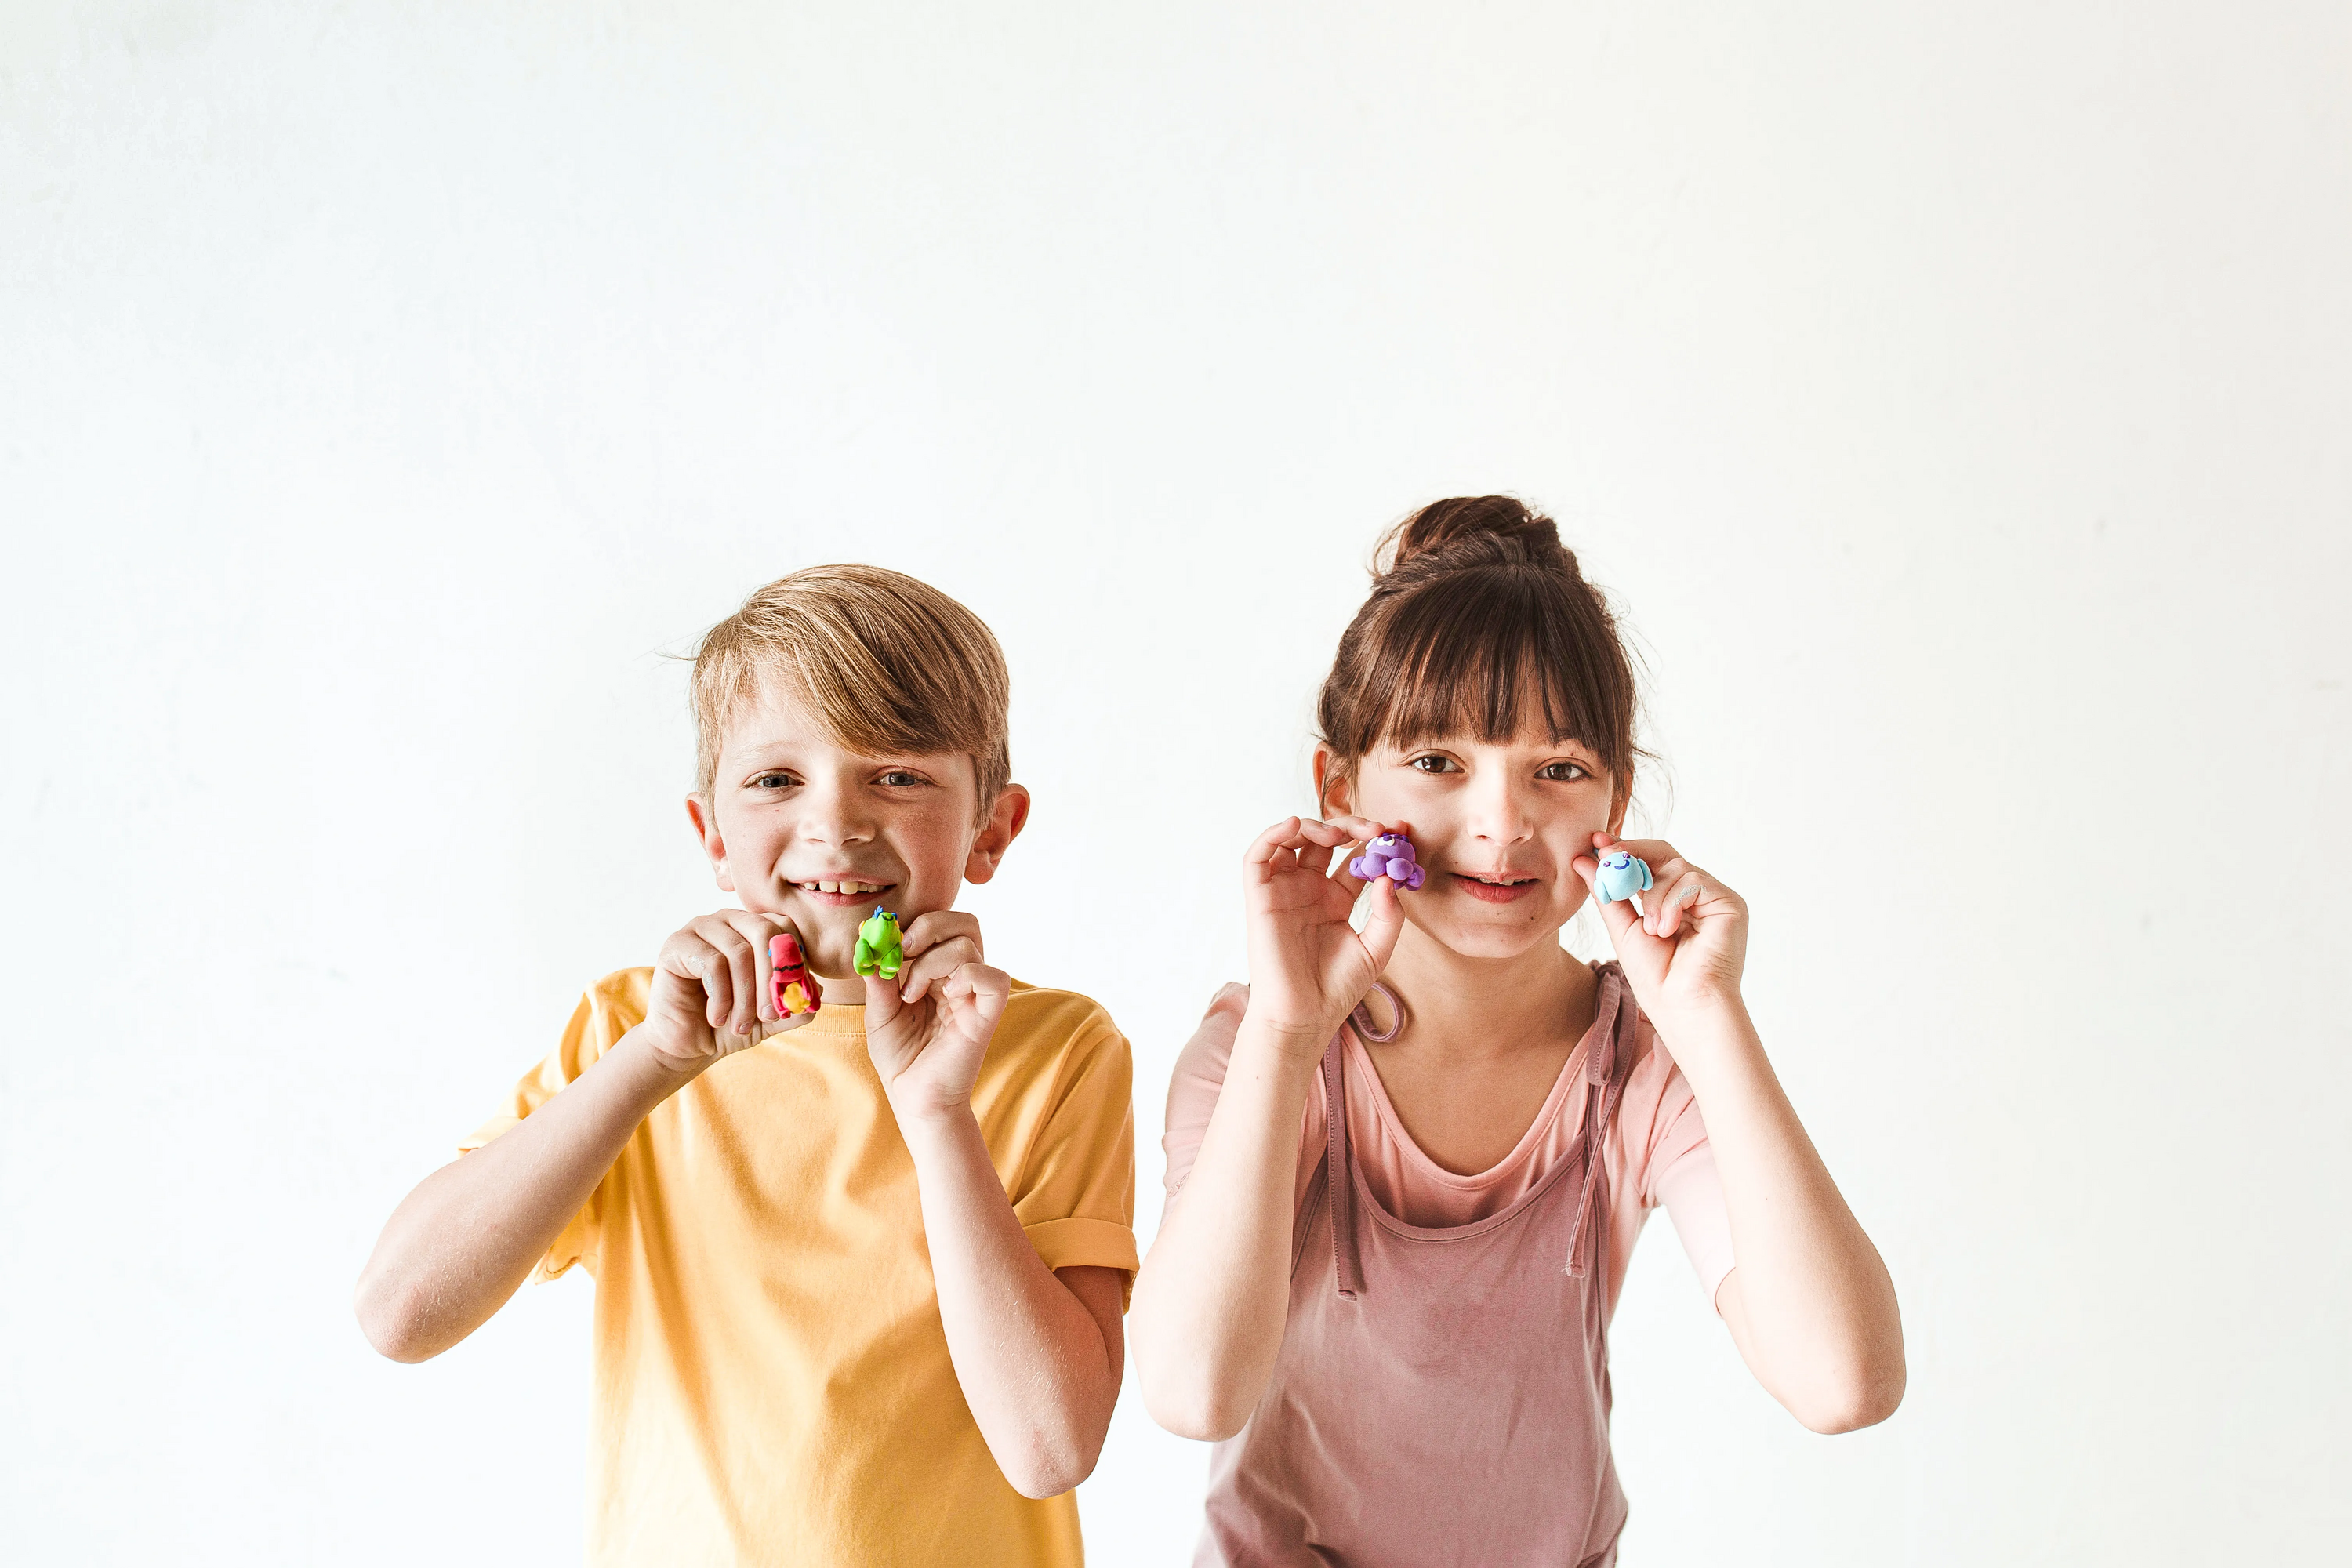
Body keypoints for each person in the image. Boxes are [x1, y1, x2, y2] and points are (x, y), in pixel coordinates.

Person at [1129, 497, 1904, 1566]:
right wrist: (1286, 1032)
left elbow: (1844, 1383)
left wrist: (1708, 1020)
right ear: (1341, 785)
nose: (1501, 824)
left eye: (1558, 770)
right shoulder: (1255, 1048)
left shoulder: (1637, 1062)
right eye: (1439, 763)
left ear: (1615, 804)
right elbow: (1189, 1391)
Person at [354, 565, 1136, 1566]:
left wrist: (937, 1110)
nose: (836, 824)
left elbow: (1050, 1445)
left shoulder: (1057, 1050)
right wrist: (645, 1065)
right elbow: (399, 1314)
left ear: (993, 827)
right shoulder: (633, 1029)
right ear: (712, 835)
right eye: (777, 778)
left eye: (897, 774)